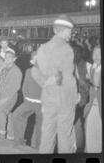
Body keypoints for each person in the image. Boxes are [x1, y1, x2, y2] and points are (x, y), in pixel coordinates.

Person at [34, 15, 80, 153]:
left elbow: (34, 72)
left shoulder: (43, 48)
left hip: (48, 100)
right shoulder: (67, 50)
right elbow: (68, 78)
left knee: (47, 138)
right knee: (65, 139)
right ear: (64, 30)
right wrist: (75, 96)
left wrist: (46, 82)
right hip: (64, 100)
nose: (71, 34)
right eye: (70, 31)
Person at [12, 51, 43, 149]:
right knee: (16, 115)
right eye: (35, 59)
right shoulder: (29, 71)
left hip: (42, 105)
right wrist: (26, 99)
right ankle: (19, 141)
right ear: (32, 61)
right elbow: (24, 87)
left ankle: (40, 149)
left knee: (41, 127)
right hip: (29, 102)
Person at [0, 51, 22, 140]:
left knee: (1, 111)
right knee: (9, 114)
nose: (6, 59)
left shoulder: (16, 71)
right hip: (3, 94)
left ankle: (1, 132)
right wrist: (0, 69)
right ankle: (11, 135)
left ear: (14, 59)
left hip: (11, 96)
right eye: (5, 57)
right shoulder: (5, 68)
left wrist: (5, 99)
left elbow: (16, 87)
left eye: (9, 57)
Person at [84, 45, 102, 153]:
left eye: (99, 54)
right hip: (92, 105)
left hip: (100, 106)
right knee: (90, 131)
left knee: (100, 133)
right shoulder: (92, 68)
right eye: (94, 54)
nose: (96, 57)